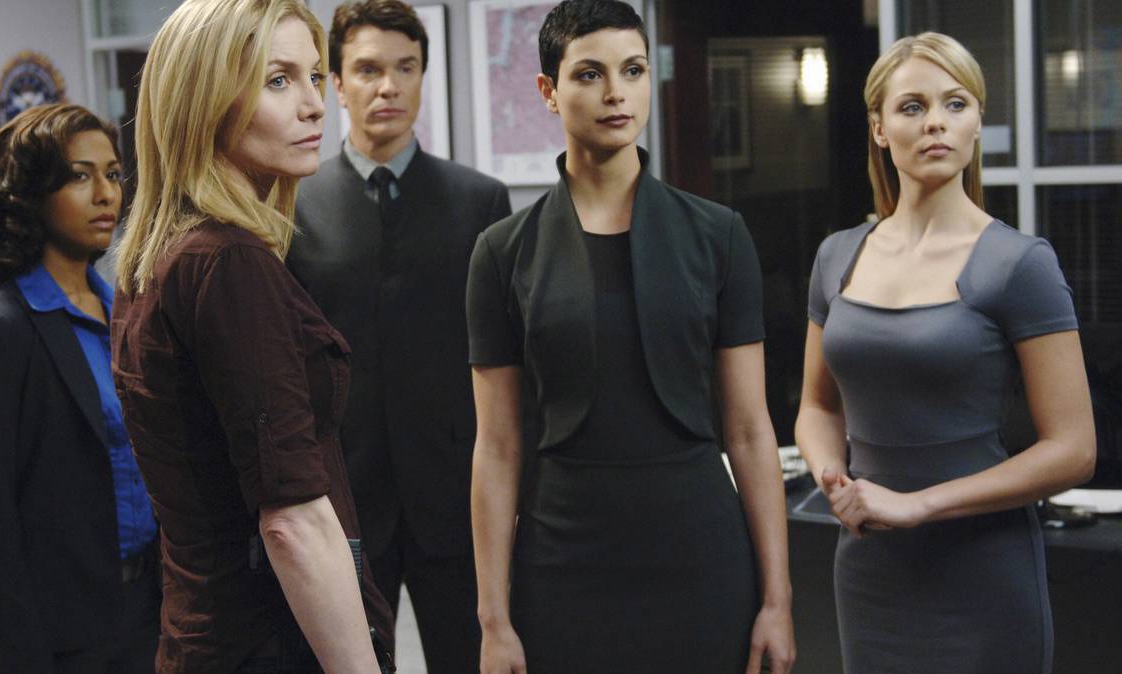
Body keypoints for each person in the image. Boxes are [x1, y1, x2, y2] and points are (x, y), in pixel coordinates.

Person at [466, 2, 796, 672]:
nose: (616, 92)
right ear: (548, 90)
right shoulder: (502, 252)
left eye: (633, 70)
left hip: (701, 555)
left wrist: (778, 599)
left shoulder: (719, 236)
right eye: (590, 74)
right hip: (562, 560)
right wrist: (493, 619)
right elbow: (497, 447)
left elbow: (750, 430)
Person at [795, 32, 1096, 674]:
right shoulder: (837, 256)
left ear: (977, 122)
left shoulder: (1020, 263)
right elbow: (817, 407)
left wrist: (917, 504)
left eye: (955, 104)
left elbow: (1074, 449)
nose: (936, 121)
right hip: (869, 571)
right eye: (912, 107)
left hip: (982, 572)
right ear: (879, 129)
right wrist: (832, 478)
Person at [110, 1, 393, 672]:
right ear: (203, 100)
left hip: (204, 634)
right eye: (277, 80)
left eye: (315, 76)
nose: (314, 105)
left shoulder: (158, 257)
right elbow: (292, 521)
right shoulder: (227, 262)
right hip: (269, 641)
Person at [286, 1, 511, 669]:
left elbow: (505, 360)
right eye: (368, 70)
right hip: (344, 499)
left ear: (422, 76)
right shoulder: (292, 206)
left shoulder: (479, 201)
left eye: (405, 68)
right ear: (336, 83)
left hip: (457, 495)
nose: (388, 86)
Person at [0, 103, 160, 674]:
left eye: (113, 174)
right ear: (31, 194)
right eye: (79, 176)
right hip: (64, 633)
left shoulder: (127, 313)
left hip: (152, 613)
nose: (106, 194)